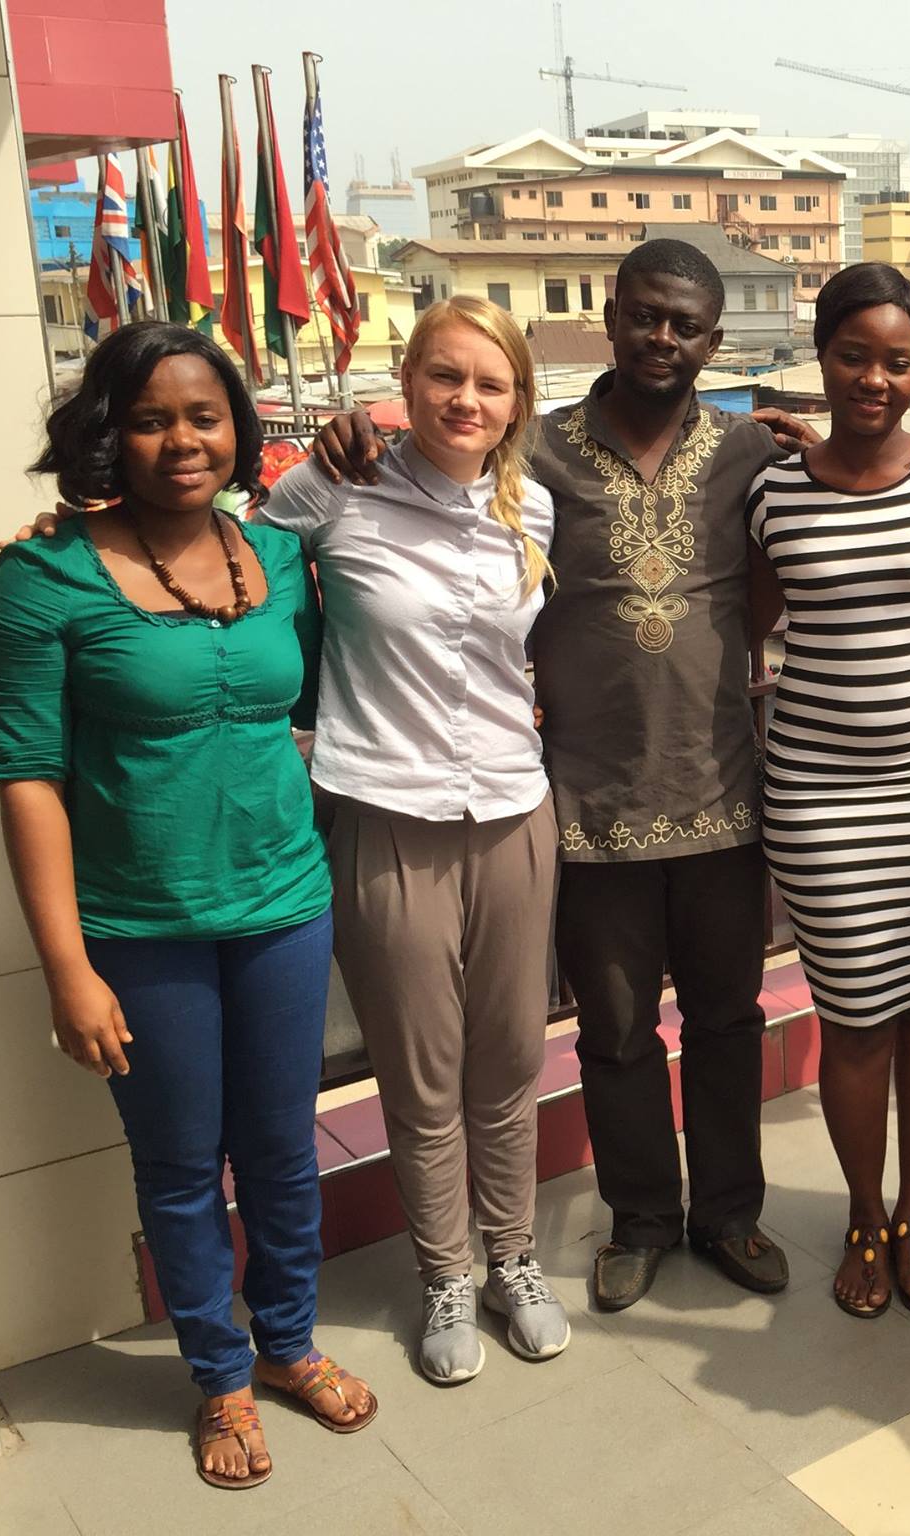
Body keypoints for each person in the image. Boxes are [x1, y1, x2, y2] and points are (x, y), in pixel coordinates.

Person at [310, 240, 910, 1314]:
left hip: (727, 788)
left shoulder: (749, 451)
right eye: (644, 316)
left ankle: (727, 1214)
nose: (662, 338)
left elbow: (847, 480)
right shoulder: (534, 449)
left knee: (726, 1019)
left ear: (715, 340)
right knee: (617, 1033)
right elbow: (428, 475)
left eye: (686, 325)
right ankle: (639, 1221)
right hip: (588, 796)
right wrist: (347, 438)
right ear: (611, 317)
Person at [0, 322, 376, 1489]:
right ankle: (219, 1375)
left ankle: (289, 1343)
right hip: (139, 931)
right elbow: (29, 779)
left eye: (204, 416)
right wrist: (68, 969)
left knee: (283, 1150)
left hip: (284, 907)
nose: (182, 441)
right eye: (150, 420)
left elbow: (332, 687)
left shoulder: (279, 560)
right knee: (179, 1164)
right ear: (108, 434)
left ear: (238, 429)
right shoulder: (41, 577)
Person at [263, 297, 568, 1384]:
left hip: (513, 810)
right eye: (445, 376)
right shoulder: (335, 492)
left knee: (512, 1056)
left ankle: (513, 1256)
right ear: (407, 379)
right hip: (385, 811)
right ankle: (445, 1272)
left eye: (490, 383)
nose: (465, 400)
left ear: (517, 402)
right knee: (420, 1067)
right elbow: (215, 552)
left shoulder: (533, 506)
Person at [745, 264, 910, 1318]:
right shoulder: (771, 491)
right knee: (853, 1015)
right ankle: (862, 1214)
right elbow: (749, 622)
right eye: (854, 355)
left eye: (899, 361)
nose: (875, 379)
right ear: (821, 356)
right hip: (816, 795)